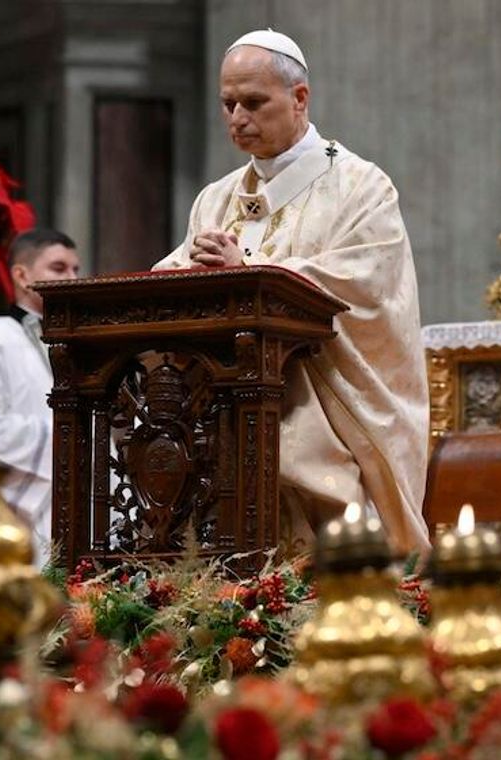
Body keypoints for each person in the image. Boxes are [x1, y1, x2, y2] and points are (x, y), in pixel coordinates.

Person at [154, 30, 429, 553]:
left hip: (322, 406)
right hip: (229, 411)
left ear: (299, 98)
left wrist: (250, 267)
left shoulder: (361, 187)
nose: (237, 118)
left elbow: (364, 287)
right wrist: (185, 271)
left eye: (254, 103)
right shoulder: (215, 199)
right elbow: (169, 274)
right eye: (228, 104)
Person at [0, 229, 80, 567]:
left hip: (76, 499)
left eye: (76, 269)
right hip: (19, 507)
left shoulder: (79, 343)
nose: (72, 279)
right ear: (22, 275)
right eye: (58, 268)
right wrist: (69, 436)